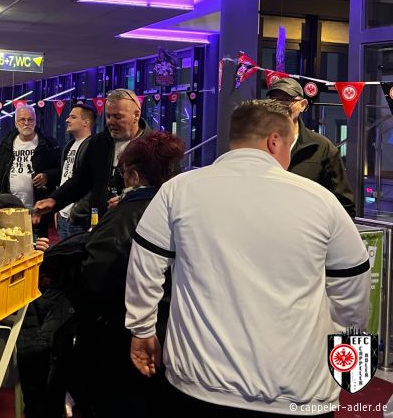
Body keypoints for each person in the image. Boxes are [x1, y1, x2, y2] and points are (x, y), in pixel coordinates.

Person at [125, 99, 370, 416]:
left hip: (197, 382)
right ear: (275, 141)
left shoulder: (178, 190)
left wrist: (142, 330)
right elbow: (351, 290)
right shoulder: (321, 200)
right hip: (299, 390)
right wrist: (349, 348)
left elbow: (144, 266)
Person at [72, 131, 184, 417]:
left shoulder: (126, 214)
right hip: (176, 334)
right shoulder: (185, 212)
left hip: (124, 335)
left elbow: (97, 275)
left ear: (133, 176)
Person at [33, 89, 149, 228]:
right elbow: (82, 180)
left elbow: (164, 194)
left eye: (118, 117)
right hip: (100, 226)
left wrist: (131, 200)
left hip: (137, 227)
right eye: (108, 116)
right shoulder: (99, 142)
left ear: (136, 115)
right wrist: (54, 200)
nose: (111, 122)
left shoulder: (154, 147)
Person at [266, 77, 355, 216]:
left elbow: (344, 204)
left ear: (303, 105)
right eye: (274, 101)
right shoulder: (259, 142)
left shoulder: (321, 147)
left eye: (287, 100)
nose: (279, 106)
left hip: (307, 225)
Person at [0, 105, 59, 236]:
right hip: (10, 209)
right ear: (16, 123)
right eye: (22, 120)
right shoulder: (6, 144)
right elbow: (0, 173)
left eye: (30, 120)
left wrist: (47, 176)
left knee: (38, 245)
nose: (26, 123)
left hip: (37, 210)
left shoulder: (48, 144)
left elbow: (60, 171)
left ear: (35, 121)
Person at [54, 105, 94, 240]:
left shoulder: (92, 147)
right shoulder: (69, 146)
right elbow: (64, 177)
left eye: (73, 117)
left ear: (86, 122)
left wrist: (77, 211)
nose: (67, 120)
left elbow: (93, 185)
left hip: (77, 219)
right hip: (62, 215)